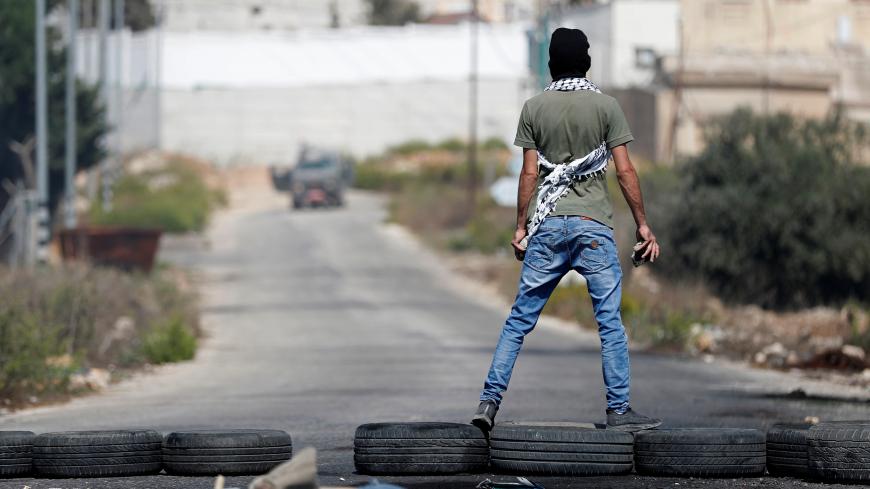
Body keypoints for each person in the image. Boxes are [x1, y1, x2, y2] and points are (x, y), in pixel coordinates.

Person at [472, 28, 662, 433]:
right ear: (587, 62)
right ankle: (618, 410)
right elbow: (625, 170)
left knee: (519, 321)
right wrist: (643, 225)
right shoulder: (606, 107)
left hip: (547, 228)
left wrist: (521, 227)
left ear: (551, 64)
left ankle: (488, 404)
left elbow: (528, 173)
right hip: (593, 227)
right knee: (609, 323)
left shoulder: (534, 108)